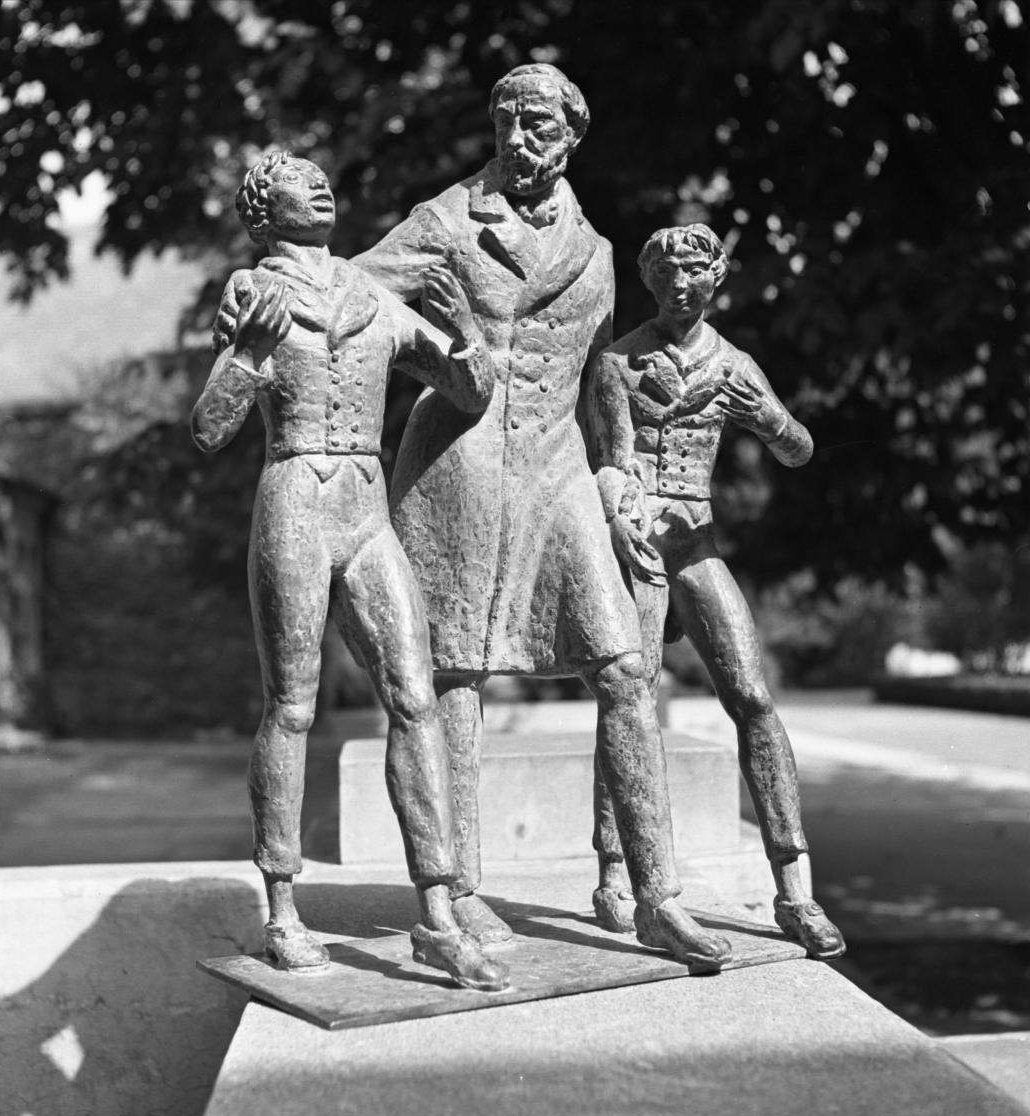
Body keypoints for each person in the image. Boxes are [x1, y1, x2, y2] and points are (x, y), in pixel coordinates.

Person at [353, 65, 732, 969]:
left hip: (558, 468)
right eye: (508, 122)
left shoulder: (597, 250)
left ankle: (657, 897)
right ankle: (458, 890)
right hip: (458, 466)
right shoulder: (447, 220)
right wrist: (436, 344)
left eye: (540, 125)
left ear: (571, 137)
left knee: (625, 667)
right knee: (455, 678)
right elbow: (357, 296)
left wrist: (620, 476)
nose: (521, 139)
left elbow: (602, 381)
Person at [192, 150, 509, 991]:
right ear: (264, 210)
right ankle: (283, 906)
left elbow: (469, 391)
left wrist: (469, 333)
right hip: (296, 494)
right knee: (292, 706)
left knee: (414, 695)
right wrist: (248, 359)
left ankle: (438, 909)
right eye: (300, 179)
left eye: (326, 175)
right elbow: (209, 427)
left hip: (367, 505)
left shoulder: (375, 296)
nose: (323, 183)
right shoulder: (250, 294)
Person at [590, 223, 845, 960]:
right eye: (665, 280)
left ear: (715, 280)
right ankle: (617, 871)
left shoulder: (734, 363)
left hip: (698, 549)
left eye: (692, 279)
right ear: (650, 283)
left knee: (754, 699)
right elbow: (609, 459)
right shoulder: (618, 363)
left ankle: (796, 889)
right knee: (628, 700)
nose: (678, 291)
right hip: (639, 550)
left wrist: (765, 416)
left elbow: (797, 447)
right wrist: (620, 508)